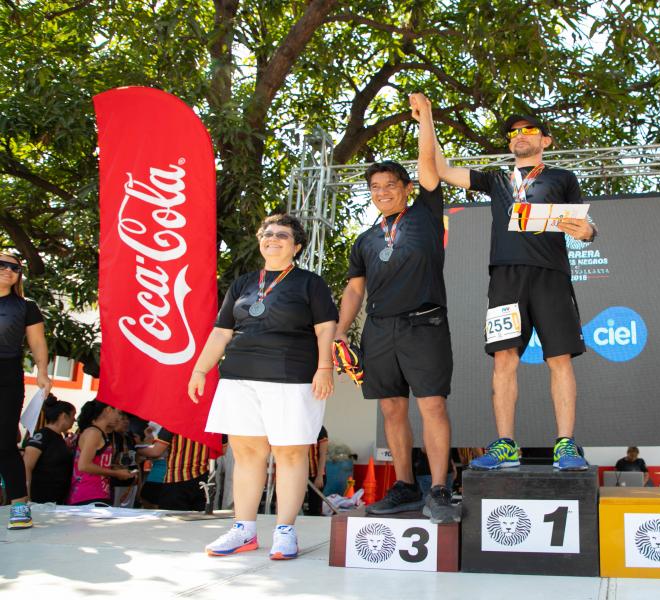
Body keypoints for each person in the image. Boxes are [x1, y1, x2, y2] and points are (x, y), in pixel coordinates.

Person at [427, 99, 597, 472]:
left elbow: (586, 226)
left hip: (550, 274)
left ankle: (565, 445)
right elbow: (440, 169)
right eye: (514, 132)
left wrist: (586, 231)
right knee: (504, 359)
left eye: (529, 130)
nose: (520, 135)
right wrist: (427, 117)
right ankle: (505, 444)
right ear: (509, 143)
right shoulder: (496, 179)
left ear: (546, 141)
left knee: (559, 358)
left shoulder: (562, 177)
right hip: (505, 277)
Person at [335, 93, 458, 524]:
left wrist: (425, 117)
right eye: (375, 188)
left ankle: (440, 489)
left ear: (406, 188)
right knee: (391, 408)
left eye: (391, 185)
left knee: (432, 406)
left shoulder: (425, 212)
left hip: (425, 324)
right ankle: (405, 486)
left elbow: (428, 163)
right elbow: (354, 292)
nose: (383, 192)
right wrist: (338, 331)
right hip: (379, 330)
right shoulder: (366, 240)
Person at [189, 213, 337, 560]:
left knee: (290, 454)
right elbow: (221, 332)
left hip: (291, 378)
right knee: (247, 455)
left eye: (282, 234)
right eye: (267, 233)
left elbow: (326, 329)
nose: (272, 238)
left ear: (296, 245)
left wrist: (324, 368)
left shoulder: (309, 283)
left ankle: (285, 530)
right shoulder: (242, 284)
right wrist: (200, 369)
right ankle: (244, 529)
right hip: (239, 377)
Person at [0, 251, 52, 529]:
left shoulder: (25, 306)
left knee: (5, 441)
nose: (8, 270)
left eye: (14, 268)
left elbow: (37, 342)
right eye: (2, 265)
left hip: (6, 374)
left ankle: (19, 505)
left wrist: (42, 372)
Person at [68, 400, 134, 506]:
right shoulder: (93, 432)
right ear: (108, 410)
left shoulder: (100, 433)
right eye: (118, 413)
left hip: (98, 495)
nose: (119, 418)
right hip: (88, 496)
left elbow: (97, 462)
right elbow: (84, 465)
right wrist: (116, 473)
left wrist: (115, 469)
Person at [140, 427, 212, 511]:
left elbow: (156, 451)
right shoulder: (211, 424)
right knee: (197, 519)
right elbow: (223, 449)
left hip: (176, 480)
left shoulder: (173, 424)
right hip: (202, 480)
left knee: (172, 519)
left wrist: (138, 450)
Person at [23, 395, 76, 504]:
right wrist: (27, 497)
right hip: (39, 500)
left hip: (56, 500)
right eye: (73, 415)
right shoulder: (42, 435)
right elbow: (26, 466)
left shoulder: (59, 438)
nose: (74, 419)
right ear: (63, 416)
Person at [305, 426, 328, 516]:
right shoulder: (300, 427)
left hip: (315, 474)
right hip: (300, 474)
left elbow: (323, 455)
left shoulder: (320, 430)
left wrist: (319, 476)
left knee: (314, 508)